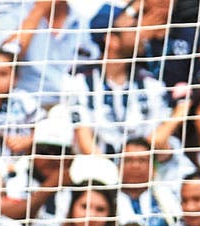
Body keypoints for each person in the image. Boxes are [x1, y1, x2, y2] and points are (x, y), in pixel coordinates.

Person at [67, 6, 174, 157]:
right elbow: (85, 143)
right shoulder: (79, 81)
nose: (141, 33)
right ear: (111, 39)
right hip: (97, 167)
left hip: (142, 164)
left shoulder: (151, 83)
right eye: (133, 28)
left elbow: (159, 141)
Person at [116, 137, 179, 226]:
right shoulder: (107, 199)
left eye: (142, 160)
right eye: (128, 160)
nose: (135, 166)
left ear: (153, 168)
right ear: (118, 166)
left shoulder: (170, 198)